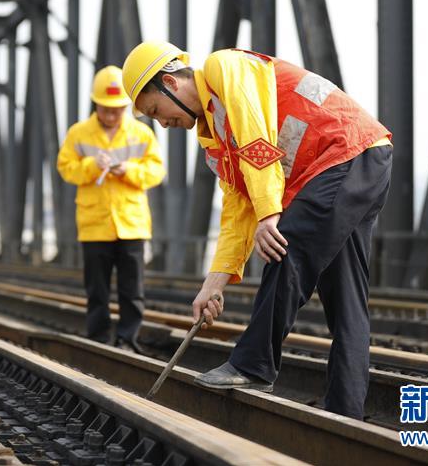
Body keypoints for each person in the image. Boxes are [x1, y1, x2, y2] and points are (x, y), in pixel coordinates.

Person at [122, 42, 391, 419]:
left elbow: (254, 132)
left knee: (285, 248)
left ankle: (253, 365)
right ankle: (345, 412)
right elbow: (236, 211)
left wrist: (269, 214)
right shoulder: (214, 140)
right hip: (357, 158)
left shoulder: (221, 68)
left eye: (155, 110)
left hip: (344, 149)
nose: (163, 123)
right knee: (346, 301)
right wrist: (213, 284)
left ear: (170, 82)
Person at [57, 65, 166, 352]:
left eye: (117, 109)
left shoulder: (141, 134)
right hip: (95, 224)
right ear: (96, 104)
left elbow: (156, 172)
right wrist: (93, 166)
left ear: (126, 106)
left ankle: (127, 339)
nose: (111, 115)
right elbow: (66, 169)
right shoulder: (79, 134)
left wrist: (128, 170)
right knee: (97, 290)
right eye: (106, 108)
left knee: (132, 290)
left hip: (131, 223)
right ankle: (98, 339)